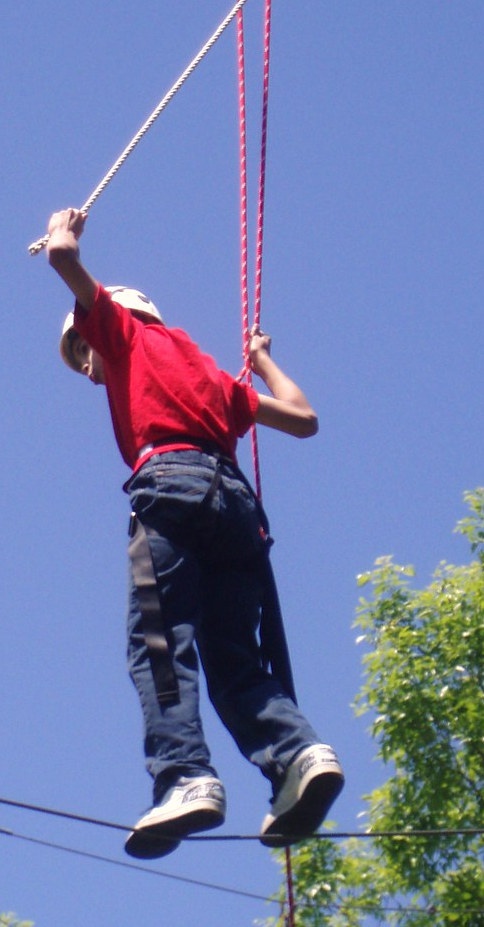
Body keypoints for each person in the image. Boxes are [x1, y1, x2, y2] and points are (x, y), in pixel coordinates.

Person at [44, 207, 344, 859]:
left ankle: (185, 775)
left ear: (109, 323)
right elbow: (303, 417)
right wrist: (262, 362)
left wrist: (62, 233)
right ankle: (298, 754)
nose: (88, 367)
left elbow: (64, 259)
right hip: (237, 512)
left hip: (172, 496)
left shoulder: (124, 335)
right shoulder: (207, 372)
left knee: (157, 639)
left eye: (83, 351)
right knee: (236, 660)